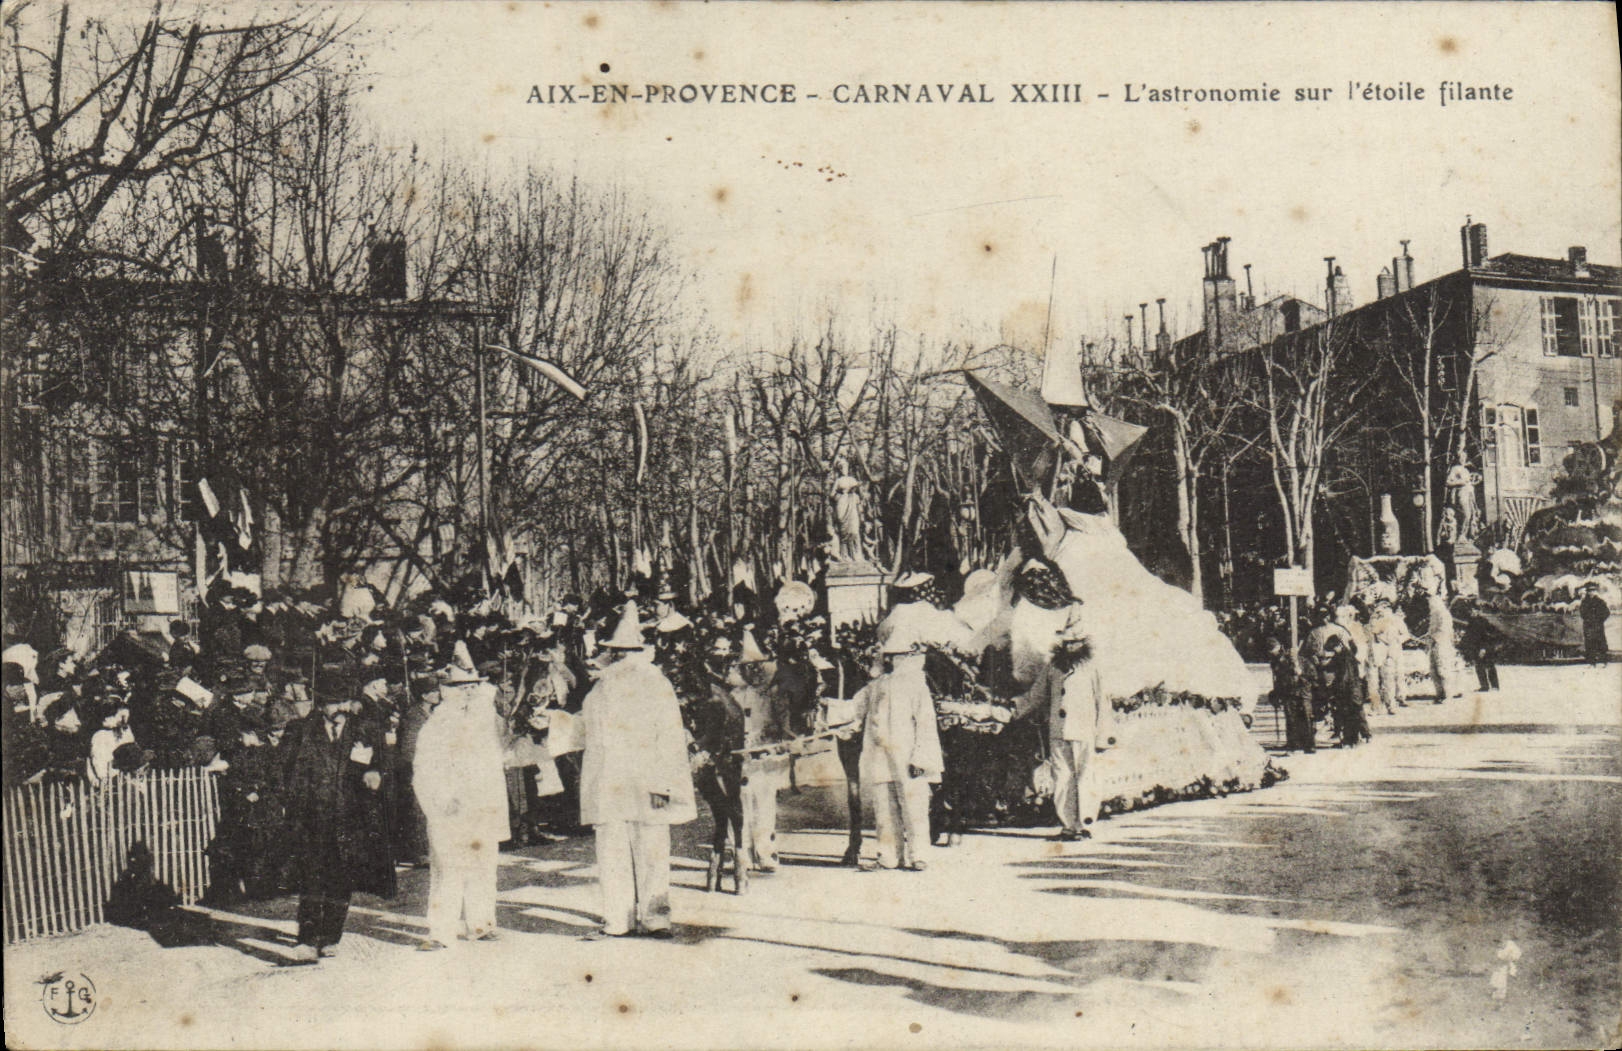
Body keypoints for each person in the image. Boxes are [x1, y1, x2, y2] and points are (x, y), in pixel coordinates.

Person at [578, 601, 696, 939]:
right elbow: (583, 729)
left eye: (625, 652)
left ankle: (656, 917)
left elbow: (669, 737)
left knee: (653, 848)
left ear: (638, 653)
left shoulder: (655, 685)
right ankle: (618, 918)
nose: (619, 659)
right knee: (612, 850)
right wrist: (550, 724)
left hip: (646, 781)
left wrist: (663, 784)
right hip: (609, 782)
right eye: (617, 653)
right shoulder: (600, 690)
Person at [280, 668, 395, 964]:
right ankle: (306, 940)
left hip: (350, 819)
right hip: (313, 819)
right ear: (320, 705)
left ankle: (331, 937)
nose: (340, 708)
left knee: (341, 880)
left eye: (344, 701)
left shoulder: (364, 729)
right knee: (312, 879)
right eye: (333, 703)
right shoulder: (301, 732)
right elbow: (288, 773)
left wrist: (374, 772)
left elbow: (381, 763)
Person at [413, 661, 509, 951]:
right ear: (447, 691)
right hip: (451, 807)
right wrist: (443, 797)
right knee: (449, 867)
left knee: (483, 864)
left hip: (483, 805)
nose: (468, 693)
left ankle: (481, 923)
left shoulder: (485, 721)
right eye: (462, 688)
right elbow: (424, 767)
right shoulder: (437, 724)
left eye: (472, 687)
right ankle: (441, 931)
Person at [858, 638, 943, 871]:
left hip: (907, 754)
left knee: (914, 804)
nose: (892, 660)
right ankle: (888, 855)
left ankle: (919, 854)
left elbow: (926, 724)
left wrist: (921, 758)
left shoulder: (917, 685)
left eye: (898, 656)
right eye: (890, 656)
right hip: (880, 754)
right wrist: (828, 709)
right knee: (883, 805)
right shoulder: (876, 685)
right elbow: (855, 709)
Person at [1045, 601, 1110, 841]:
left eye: (1075, 642)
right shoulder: (1053, 668)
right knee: (1062, 778)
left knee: (1086, 776)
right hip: (1059, 731)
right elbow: (1037, 694)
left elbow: (1102, 702)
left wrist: (1103, 735)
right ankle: (1068, 825)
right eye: (1067, 643)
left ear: (1083, 643)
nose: (1071, 646)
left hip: (1084, 731)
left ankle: (1085, 823)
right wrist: (1014, 707)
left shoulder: (1091, 668)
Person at [733, 629, 790, 872]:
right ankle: (741, 853)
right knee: (741, 806)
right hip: (740, 759)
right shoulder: (733, 696)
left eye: (757, 666)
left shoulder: (771, 696)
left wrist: (773, 739)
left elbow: (781, 726)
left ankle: (766, 852)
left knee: (765, 805)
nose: (754, 672)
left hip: (763, 757)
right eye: (748, 667)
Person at [1366, 596, 1409, 714]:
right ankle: (1375, 707)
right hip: (1374, 654)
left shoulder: (1396, 620)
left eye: (1381, 609)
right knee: (1373, 682)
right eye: (1377, 610)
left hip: (1390, 653)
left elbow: (1406, 635)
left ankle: (1391, 705)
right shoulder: (1373, 620)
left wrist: (1396, 641)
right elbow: (1369, 636)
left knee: (1389, 680)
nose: (1379, 612)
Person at [1422, 581, 1463, 702]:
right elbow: (1432, 629)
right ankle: (1440, 693)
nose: (1429, 603)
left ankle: (1447, 694)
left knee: (1443, 669)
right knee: (1434, 670)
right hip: (1435, 643)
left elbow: (1443, 630)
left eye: (1430, 600)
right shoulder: (1434, 613)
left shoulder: (1442, 614)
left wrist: (1432, 639)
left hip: (1442, 644)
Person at [1459, 605, 1501, 692]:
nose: (1472, 612)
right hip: (1476, 647)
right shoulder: (1472, 622)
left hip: (1485, 646)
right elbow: (1469, 636)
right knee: (1479, 666)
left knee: (1490, 665)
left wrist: (1483, 648)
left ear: (1478, 611)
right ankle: (1484, 686)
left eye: (1474, 610)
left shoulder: (1483, 622)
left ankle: (1495, 686)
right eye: (1471, 611)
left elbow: (1487, 636)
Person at [1580, 585, 1611, 666]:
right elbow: (1582, 613)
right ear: (1587, 592)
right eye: (1589, 591)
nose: (1591, 593)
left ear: (1595, 592)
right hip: (1588, 626)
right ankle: (1591, 662)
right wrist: (1587, 619)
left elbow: (1606, 612)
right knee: (1589, 643)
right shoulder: (1584, 602)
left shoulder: (1600, 601)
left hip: (1598, 626)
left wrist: (1600, 620)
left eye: (1592, 591)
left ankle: (1604, 661)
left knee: (1600, 642)